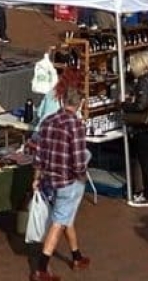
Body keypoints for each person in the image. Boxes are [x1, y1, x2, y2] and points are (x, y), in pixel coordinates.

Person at [29, 87, 91, 281]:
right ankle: (41, 267)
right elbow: (79, 159)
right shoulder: (76, 125)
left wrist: (36, 177)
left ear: (62, 101)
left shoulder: (48, 121)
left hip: (49, 178)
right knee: (59, 221)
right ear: (79, 103)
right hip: (68, 181)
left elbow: (38, 155)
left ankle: (77, 256)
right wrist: (81, 176)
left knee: (65, 216)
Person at [124, 52, 148, 207]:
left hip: (143, 126)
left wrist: (125, 105)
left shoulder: (143, 81)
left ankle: (147, 195)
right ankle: (146, 192)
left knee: (145, 161)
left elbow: (141, 105)